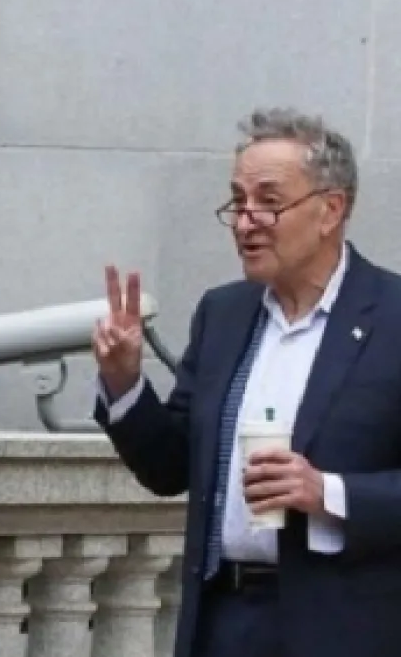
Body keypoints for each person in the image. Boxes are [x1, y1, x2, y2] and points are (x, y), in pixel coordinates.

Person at [93, 107, 401, 657]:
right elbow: (169, 468)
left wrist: (327, 493)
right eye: (238, 201)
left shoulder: (392, 317)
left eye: (268, 201)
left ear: (330, 210)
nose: (245, 221)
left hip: (346, 629)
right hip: (224, 620)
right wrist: (124, 384)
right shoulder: (224, 314)